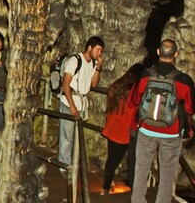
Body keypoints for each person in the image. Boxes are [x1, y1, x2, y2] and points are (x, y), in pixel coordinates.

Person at [128, 39, 195, 203]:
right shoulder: (183, 80)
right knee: (167, 173)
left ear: (158, 51)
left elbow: (135, 99)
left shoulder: (145, 75)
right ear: (176, 55)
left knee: (141, 169)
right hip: (170, 133)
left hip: (146, 130)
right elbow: (192, 107)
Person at [57, 36, 105, 168]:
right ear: (90, 47)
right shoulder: (75, 60)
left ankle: (73, 162)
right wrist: (72, 106)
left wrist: (98, 68)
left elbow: (94, 83)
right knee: (67, 136)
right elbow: (66, 84)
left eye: (101, 51)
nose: (99, 53)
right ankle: (64, 165)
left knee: (77, 135)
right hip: (69, 101)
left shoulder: (92, 63)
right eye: (98, 50)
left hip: (82, 103)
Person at [100, 63, 144, 194]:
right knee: (113, 162)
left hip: (112, 127)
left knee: (111, 159)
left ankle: (108, 183)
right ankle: (105, 188)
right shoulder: (134, 93)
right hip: (123, 133)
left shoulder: (117, 85)